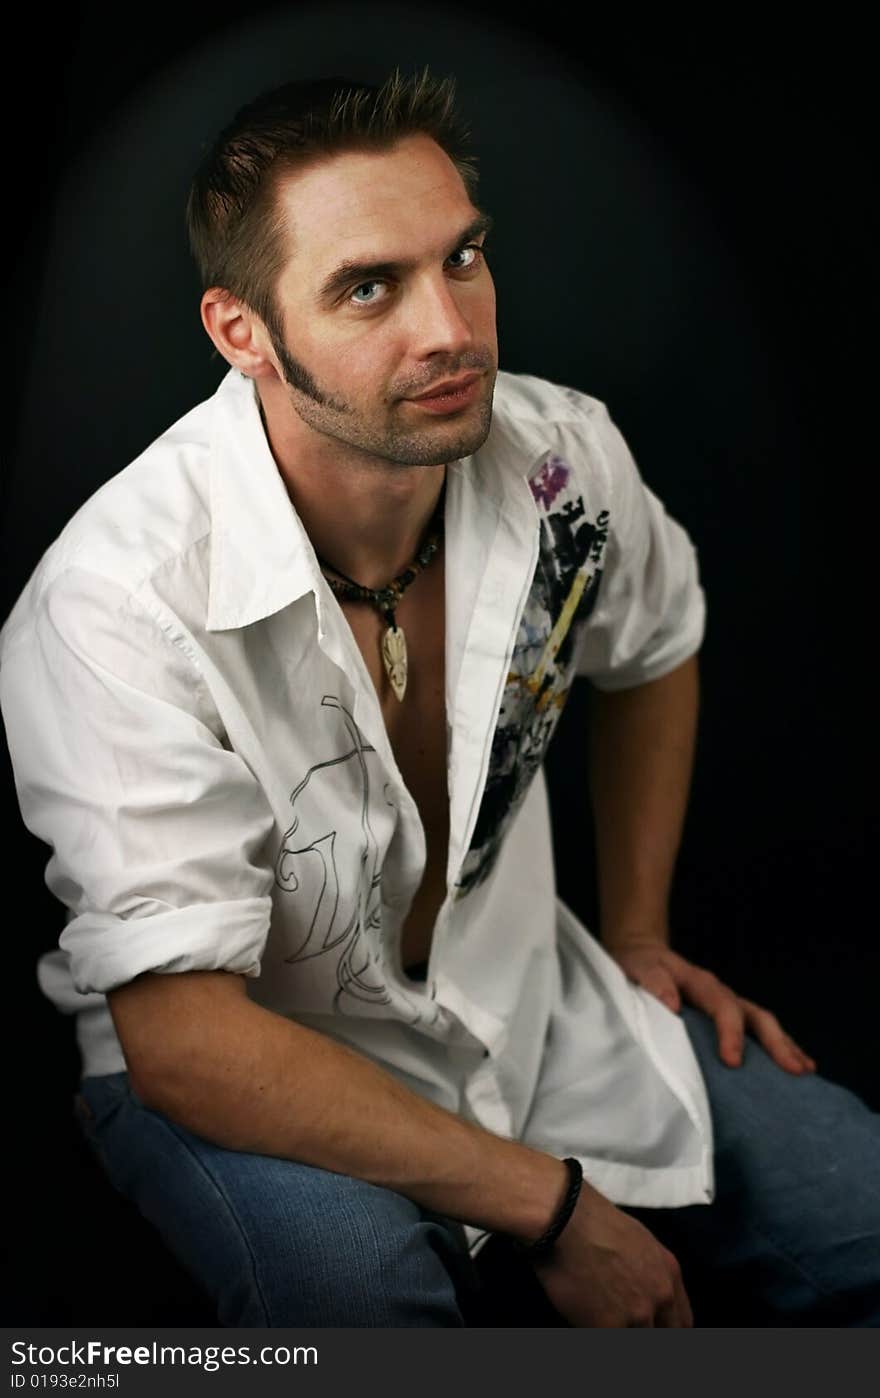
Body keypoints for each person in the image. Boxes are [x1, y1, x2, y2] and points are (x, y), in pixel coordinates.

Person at [1, 67, 877, 1329]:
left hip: (522, 1004)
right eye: (371, 287)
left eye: (462, 259)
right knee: (372, 1312)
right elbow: (186, 1042)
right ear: (240, 331)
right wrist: (562, 1211)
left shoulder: (561, 464)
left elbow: (658, 644)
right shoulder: (118, 601)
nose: (450, 329)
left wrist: (633, 934)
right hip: (251, 1059)